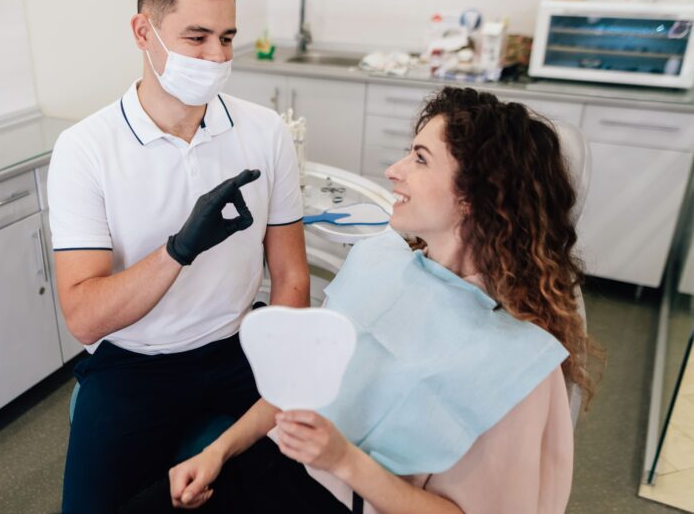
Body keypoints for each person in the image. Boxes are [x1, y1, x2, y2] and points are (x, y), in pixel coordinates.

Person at [121, 86, 602, 514]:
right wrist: (218, 453)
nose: (394, 171)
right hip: (278, 462)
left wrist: (342, 460)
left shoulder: (518, 365)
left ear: (473, 196)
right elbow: (295, 389)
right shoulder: (381, 263)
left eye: (419, 158)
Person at [47, 0, 309, 513]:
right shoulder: (86, 151)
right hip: (133, 364)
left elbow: (291, 274)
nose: (216, 57)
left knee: (298, 495)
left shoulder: (264, 132)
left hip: (237, 351)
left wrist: (282, 369)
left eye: (227, 37)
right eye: (197, 38)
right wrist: (179, 250)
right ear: (144, 32)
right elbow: (83, 316)